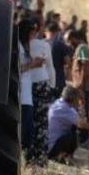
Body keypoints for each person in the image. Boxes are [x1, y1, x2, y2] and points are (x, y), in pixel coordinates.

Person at [17, 19, 45, 160]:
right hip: (21, 96)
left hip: (27, 95)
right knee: (23, 134)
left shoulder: (26, 47)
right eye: (32, 31)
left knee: (28, 133)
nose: (34, 34)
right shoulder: (19, 47)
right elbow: (16, 70)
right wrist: (32, 65)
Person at [47, 86, 89, 162]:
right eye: (77, 98)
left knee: (75, 128)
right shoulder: (66, 109)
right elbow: (81, 124)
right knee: (80, 133)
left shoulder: (58, 103)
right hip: (53, 148)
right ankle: (61, 156)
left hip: (49, 145)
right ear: (73, 98)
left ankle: (64, 155)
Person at [29, 20, 56, 160]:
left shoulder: (20, 45)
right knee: (41, 122)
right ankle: (39, 157)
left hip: (26, 85)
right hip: (42, 85)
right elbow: (50, 68)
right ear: (37, 30)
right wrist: (52, 87)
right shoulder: (44, 45)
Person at [69, 31, 89, 122]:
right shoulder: (83, 48)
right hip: (84, 85)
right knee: (84, 110)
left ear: (74, 39)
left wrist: (80, 85)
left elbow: (85, 67)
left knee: (83, 111)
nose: (68, 44)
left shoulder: (82, 48)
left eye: (69, 40)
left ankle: (86, 132)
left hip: (83, 86)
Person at [46, 21, 70, 90]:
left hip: (44, 79)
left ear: (46, 31)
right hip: (58, 79)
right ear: (56, 32)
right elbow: (68, 61)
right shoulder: (61, 45)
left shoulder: (42, 43)